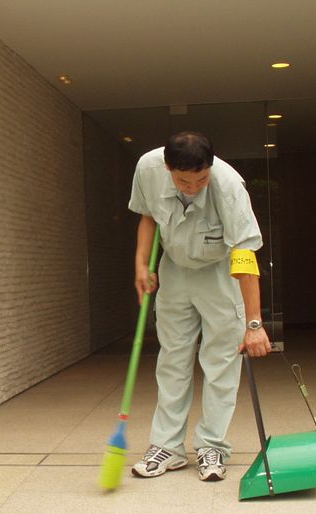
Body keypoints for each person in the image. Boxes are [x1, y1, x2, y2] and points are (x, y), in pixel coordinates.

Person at [128, 131, 271, 482]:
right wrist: (142, 264)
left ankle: (213, 447)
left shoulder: (228, 186)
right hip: (175, 270)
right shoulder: (147, 168)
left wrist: (254, 324)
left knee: (220, 361)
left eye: (201, 179)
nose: (193, 187)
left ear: (211, 167)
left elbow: (244, 254)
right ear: (167, 168)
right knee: (172, 358)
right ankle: (167, 447)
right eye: (183, 181)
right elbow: (148, 215)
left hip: (220, 273)